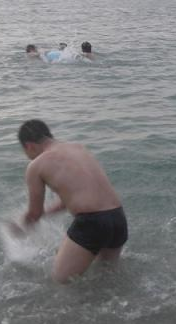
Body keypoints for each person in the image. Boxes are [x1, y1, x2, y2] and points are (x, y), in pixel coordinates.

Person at [14, 119, 128, 282]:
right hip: (117, 218)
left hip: (92, 223)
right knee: (107, 277)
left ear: (28, 146)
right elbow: (68, 202)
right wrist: (45, 214)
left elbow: (34, 214)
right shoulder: (78, 148)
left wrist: (20, 227)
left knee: (61, 282)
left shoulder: (36, 165)